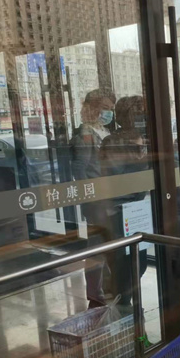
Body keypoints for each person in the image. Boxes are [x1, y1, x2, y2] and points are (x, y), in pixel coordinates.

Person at [100, 95, 150, 305]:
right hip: (119, 209)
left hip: (138, 207)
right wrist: (138, 157)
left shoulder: (142, 138)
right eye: (137, 114)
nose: (142, 118)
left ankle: (127, 300)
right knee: (125, 263)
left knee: (140, 261)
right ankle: (123, 303)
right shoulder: (112, 142)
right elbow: (115, 176)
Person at [71, 88, 116, 308]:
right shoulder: (86, 134)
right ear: (92, 108)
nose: (109, 113)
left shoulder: (103, 131)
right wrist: (89, 197)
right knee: (97, 244)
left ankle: (106, 287)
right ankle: (95, 294)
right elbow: (80, 169)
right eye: (105, 108)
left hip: (109, 195)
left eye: (111, 109)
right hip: (97, 198)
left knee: (108, 242)